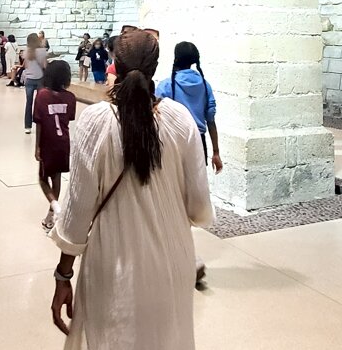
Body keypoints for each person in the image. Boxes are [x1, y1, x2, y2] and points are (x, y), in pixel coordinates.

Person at [49, 27, 213, 349]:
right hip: (172, 262)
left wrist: (63, 275)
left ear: (116, 65)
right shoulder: (180, 119)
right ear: (155, 68)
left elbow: (77, 213)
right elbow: (199, 208)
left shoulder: (95, 121)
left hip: (114, 264)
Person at [155, 41, 222, 286]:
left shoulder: (166, 85)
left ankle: (179, 255)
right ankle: (186, 253)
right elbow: (210, 119)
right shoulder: (204, 85)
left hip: (171, 143)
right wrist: (216, 152)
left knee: (169, 196)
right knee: (189, 196)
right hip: (198, 144)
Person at [33, 60, 78, 231]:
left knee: (43, 178)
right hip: (63, 142)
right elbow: (69, 117)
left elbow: (39, 122)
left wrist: (37, 147)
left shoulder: (42, 95)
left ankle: (56, 208)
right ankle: (50, 216)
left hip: (48, 142)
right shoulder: (70, 97)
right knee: (57, 177)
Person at [22, 33, 49, 133]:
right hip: (39, 78)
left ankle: (27, 126)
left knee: (29, 103)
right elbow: (44, 65)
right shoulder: (42, 51)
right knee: (40, 102)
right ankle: (40, 123)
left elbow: (25, 66)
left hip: (29, 78)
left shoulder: (26, 51)